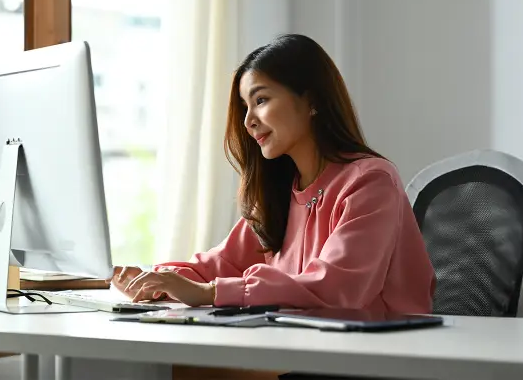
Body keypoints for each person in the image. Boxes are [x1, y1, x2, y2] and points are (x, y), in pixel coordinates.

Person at [111, 34, 435, 314]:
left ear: (312, 101)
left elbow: (338, 289)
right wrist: (153, 278)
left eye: (261, 100)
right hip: (299, 353)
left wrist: (212, 293)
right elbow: (217, 265)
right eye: (245, 106)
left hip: (372, 362)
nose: (248, 121)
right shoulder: (280, 193)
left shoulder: (370, 182)